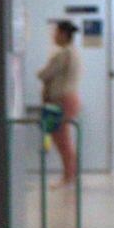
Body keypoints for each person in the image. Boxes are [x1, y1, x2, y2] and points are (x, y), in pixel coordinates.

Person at [36, 19, 81, 186]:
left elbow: (44, 74)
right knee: (62, 139)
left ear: (63, 34)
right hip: (67, 98)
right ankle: (70, 174)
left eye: (55, 32)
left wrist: (41, 71)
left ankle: (68, 176)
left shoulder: (63, 54)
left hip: (61, 100)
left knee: (62, 139)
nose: (53, 36)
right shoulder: (71, 52)